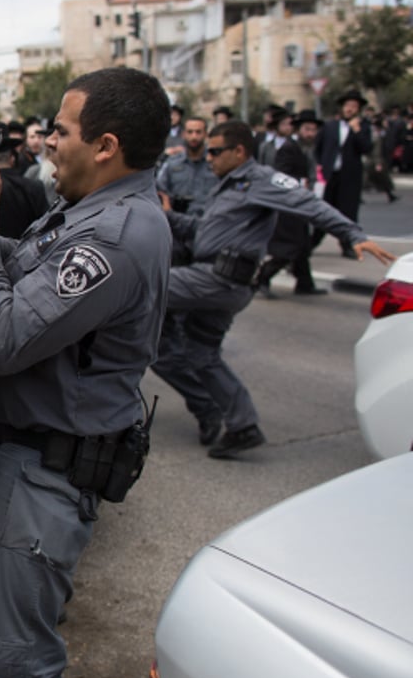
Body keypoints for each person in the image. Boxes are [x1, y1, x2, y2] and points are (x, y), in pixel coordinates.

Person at [0, 67, 172, 678]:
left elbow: (0, 339)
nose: (47, 141)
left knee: (13, 669)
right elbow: (22, 268)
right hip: (1, 452)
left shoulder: (113, 234)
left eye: (60, 130)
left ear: (105, 145)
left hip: (43, 472)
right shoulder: (86, 210)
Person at [151, 120, 394, 457]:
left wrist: (353, 234)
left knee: (145, 289)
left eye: (216, 152)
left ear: (239, 152)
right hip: (212, 276)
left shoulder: (261, 180)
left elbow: (310, 205)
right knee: (200, 354)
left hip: (220, 279)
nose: (209, 158)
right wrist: (164, 216)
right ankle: (242, 425)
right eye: (208, 151)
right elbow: (201, 231)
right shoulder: (226, 184)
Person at [256, 110, 326, 298]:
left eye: (313, 130)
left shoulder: (304, 148)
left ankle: (305, 283)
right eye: (307, 129)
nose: (311, 133)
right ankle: (263, 277)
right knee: (288, 248)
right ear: (298, 129)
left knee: (302, 247)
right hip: (288, 205)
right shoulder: (289, 148)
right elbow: (281, 176)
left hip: (298, 203)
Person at [313, 89, 372, 255]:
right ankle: (311, 243)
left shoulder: (363, 127)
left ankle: (348, 246)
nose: (350, 109)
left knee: (348, 213)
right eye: (347, 105)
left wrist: (357, 131)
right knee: (323, 211)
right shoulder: (330, 126)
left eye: (354, 106)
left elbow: (366, 148)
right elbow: (318, 148)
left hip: (350, 177)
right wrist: (320, 166)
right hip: (330, 175)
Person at [155, 116, 218, 217]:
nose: (194, 136)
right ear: (184, 134)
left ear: (206, 134)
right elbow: (161, 191)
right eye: (190, 132)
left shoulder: (216, 163)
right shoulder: (172, 164)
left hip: (208, 223)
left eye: (198, 132)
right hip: (177, 223)